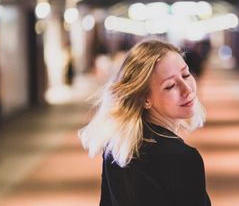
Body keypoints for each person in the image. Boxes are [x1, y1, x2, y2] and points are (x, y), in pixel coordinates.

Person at [79, 39, 211, 206]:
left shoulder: (118, 148)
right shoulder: (183, 158)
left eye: (185, 74)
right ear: (144, 99)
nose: (187, 89)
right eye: (170, 86)